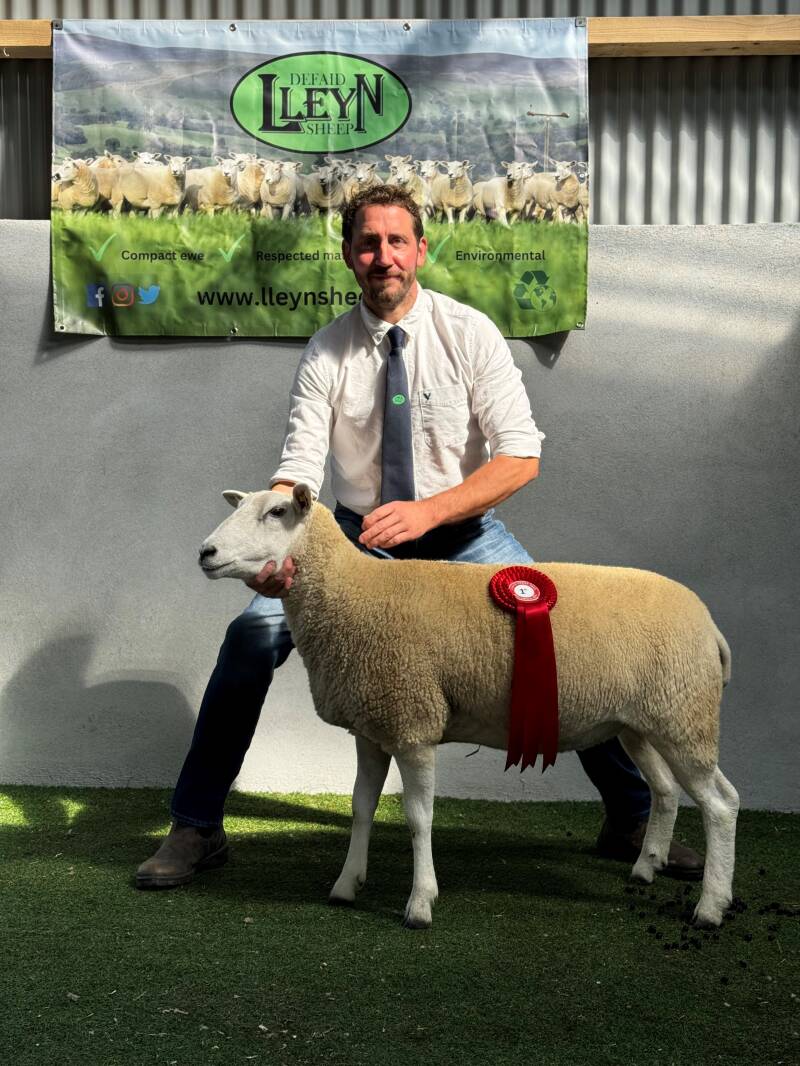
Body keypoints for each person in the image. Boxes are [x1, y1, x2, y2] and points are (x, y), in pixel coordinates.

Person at [136, 185, 702, 888]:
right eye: (368, 244)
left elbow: (521, 455)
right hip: (349, 542)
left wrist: (431, 514)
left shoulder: (470, 334)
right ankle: (196, 827)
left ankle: (632, 816)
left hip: (463, 533)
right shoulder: (327, 351)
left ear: (420, 250)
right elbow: (298, 466)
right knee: (248, 640)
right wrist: (275, 549)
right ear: (348, 256)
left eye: (396, 242)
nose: (383, 257)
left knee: (558, 641)